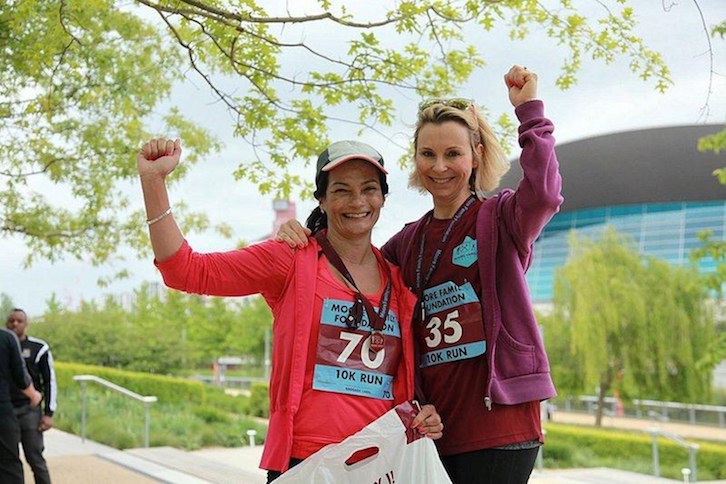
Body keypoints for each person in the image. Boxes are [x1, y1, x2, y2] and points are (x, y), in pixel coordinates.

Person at [276, 65, 563, 483]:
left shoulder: (500, 218)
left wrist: (530, 114)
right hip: (431, 430)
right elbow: (351, 262)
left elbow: (545, 194)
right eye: (428, 154)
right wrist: (307, 235)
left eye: (453, 154)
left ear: (475, 155)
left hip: (499, 426)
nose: (440, 166)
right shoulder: (405, 244)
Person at [137, 138, 444, 482]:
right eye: (341, 190)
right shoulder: (291, 259)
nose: (357, 201)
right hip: (306, 463)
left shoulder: (398, 282)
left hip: (380, 465)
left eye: (369, 189)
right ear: (322, 200)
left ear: (382, 198)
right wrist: (153, 182)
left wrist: (420, 413)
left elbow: (402, 382)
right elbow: (187, 271)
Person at [7, 308, 57, 484]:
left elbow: (49, 381)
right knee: (7, 460)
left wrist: (49, 413)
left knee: (34, 456)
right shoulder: (3, 344)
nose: (15, 324)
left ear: (26, 324)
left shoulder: (39, 348)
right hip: (6, 410)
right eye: (11, 321)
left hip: (29, 410)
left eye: (19, 321)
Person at [1, 326, 42, 484]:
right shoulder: (6, 338)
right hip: (2, 411)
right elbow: (20, 376)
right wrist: (34, 395)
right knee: (8, 464)